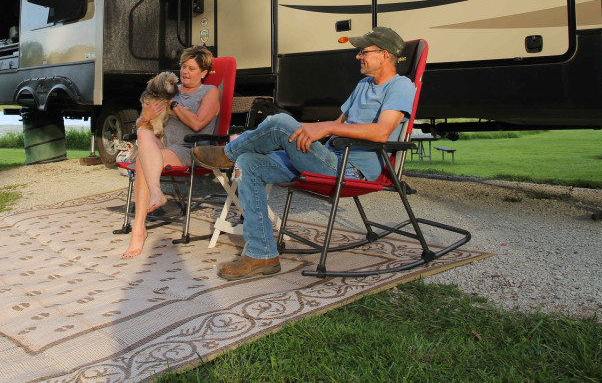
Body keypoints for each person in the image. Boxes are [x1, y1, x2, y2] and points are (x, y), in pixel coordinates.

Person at [192, 27, 415, 280]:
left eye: (364, 51)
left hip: (351, 170)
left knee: (278, 121)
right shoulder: (364, 84)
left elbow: (382, 132)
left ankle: (228, 153)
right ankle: (262, 253)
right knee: (249, 161)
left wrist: (325, 127)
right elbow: (337, 124)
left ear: (385, 55)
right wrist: (308, 130)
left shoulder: (401, 86)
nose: (358, 56)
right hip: (329, 157)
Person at [121, 45, 221, 258]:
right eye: (183, 67)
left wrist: (173, 104)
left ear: (203, 73)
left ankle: (139, 230)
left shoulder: (209, 92)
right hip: (160, 144)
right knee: (144, 133)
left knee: (141, 162)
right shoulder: (168, 89)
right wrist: (145, 116)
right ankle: (156, 193)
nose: (185, 72)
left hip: (188, 148)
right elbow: (141, 124)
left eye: (192, 69)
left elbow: (197, 123)